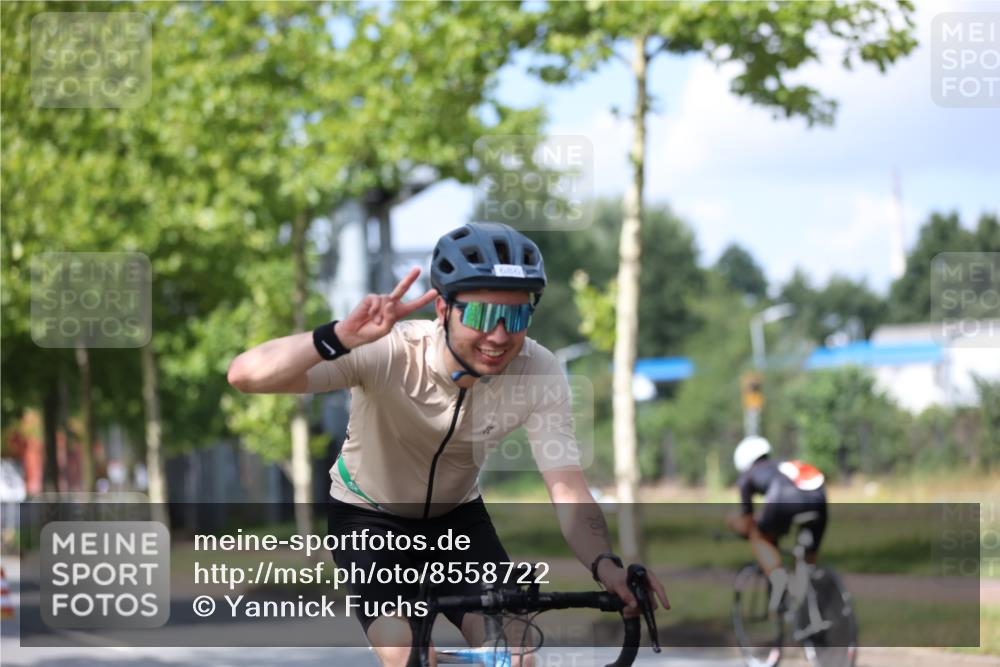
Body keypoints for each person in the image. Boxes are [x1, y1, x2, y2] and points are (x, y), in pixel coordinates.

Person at [228, 221, 669, 667]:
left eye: (515, 316)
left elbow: (568, 490)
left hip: (458, 520)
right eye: (480, 315)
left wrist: (607, 566)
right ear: (442, 307)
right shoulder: (389, 351)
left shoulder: (537, 371)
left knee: (517, 654)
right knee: (407, 654)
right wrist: (339, 337)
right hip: (369, 519)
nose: (499, 336)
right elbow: (245, 374)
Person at [726, 435, 827, 614]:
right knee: (806, 562)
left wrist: (733, 523)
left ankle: (777, 575)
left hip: (783, 498)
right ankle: (807, 603)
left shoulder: (747, 476)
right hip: (819, 497)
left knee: (757, 535)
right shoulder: (784, 464)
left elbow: (747, 521)